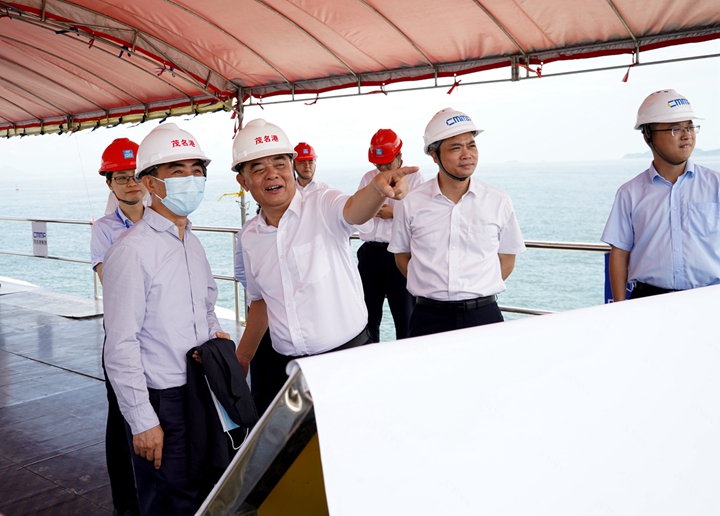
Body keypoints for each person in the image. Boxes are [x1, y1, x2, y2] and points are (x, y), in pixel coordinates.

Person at [103, 123, 231, 516]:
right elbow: (120, 344)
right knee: (169, 501)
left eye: (197, 170)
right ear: (150, 183)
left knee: (206, 492)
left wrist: (214, 340)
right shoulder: (132, 251)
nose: (191, 179)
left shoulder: (191, 242)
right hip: (162, 402)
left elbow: (206, 309)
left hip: (200, 391)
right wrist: (142, 420)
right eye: (177, 171)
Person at [231, 119, 418, 374]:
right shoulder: (249, 237)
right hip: (287, 368)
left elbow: (354, 210)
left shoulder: (322, 202)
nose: (272, 174)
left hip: (348, 358)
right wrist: (243, 356)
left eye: (280, 163)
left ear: (291, 167)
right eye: (258, 168)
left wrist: (377, 189)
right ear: (243, 181)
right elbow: (261, 300)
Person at [389, 107, 526, 337]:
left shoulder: (498, 201)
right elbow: (402, 256)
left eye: (471, 145)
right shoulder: (410, 202)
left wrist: (474, 291)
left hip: (484, 316)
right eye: (456, 147)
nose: (467, 154)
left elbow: (507, 259)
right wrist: (433, 290)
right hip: (428, 317)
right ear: (434, 156)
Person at [601, 89, 719, 301]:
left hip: (709, 298)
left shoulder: (716, 185)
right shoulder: (629, 193)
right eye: (675, 128)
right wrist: (618, 309)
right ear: (648, 137)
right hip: (647, 300)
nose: (687, 135)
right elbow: (619, 254)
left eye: (690, 127)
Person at [91, 138, 143, 516]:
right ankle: (126, 504)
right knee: (122, 417)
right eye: (121, 177)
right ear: (109, 184)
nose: (130, 183)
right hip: (124, 334)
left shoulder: (163, 219)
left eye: (136, 175)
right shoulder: (104, 229)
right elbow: (110, 282)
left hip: (160, 334)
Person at [357, 129, 424, 342]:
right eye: (379, 165)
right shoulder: (368, 178)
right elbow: (357, 213)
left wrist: (394, 213)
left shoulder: (415, 179)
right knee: (367, 317)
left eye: (387, 164)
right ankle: (368, 357)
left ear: (399, 157)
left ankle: (407, 358)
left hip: (400, 254)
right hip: (370, 253)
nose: (383, 169)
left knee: (405, 317)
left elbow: (423, 216)